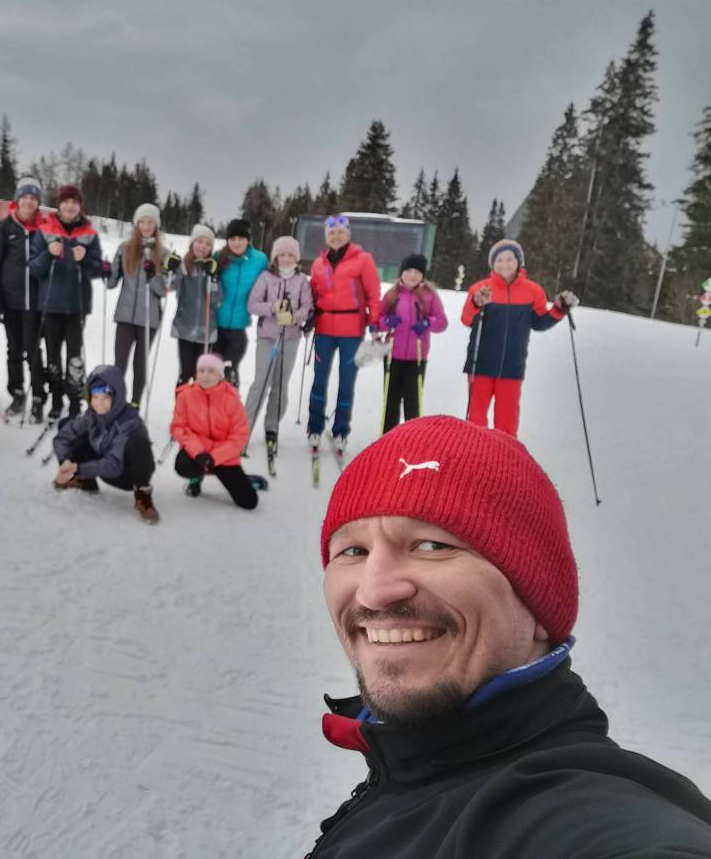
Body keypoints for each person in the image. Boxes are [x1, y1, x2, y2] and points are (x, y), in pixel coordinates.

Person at [304, 415, 711, 856]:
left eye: (433, 545)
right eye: (353, 551)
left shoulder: (573, 815)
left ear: (537, 606)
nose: (374, 590)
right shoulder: (407, 766)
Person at [462, 238, 578, 436]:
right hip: (480, 364)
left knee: (507, 422)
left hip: (512, 367)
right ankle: (474, 459)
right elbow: (466, 320)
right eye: (499, 260)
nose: (504, 264)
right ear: (492, 264)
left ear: (518, 261)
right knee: (475, 419)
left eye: (509, 259)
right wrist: (476, 303)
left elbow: (539, 322)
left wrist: (559, 309)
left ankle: (504, 461)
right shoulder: (481, 288)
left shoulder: (533, 291)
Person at [306, 214, 380, 456]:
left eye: (340, 231)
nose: (336, 236)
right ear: (326, 236)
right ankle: (314, 427)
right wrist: (307, 317)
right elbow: (313, 294)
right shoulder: (319, 263)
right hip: (324, 328)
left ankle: (340, 432)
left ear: (348, 234)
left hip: (351, 329)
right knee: (319, 380)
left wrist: (375, 322)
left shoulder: (363, 259)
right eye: (331, 233)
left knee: (346, 382)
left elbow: (373, 293)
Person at [51, 365, 159, 524]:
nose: (99, 403)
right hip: (102, 462)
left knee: (138, 441)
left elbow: (113, 465)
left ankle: (143, 495)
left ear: (117, 396)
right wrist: (65, 461)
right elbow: (63, 437)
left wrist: (79, 468)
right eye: (95, 397)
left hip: (123, 475)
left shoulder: (129, 423)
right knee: (67, 424)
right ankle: (86, 482)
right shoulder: (92, 415)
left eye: (106, 397)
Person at [32, 184, 104, 419]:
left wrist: (85, 260)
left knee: (75, 358)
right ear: (59, 204)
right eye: (66, 201)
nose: (70, 206)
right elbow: (35, 268)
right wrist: (48, 253)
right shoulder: (45, 230)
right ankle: (55, 399)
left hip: (76, 306)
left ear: (80, 206)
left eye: (75, 202)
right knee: (53, 356)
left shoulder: (89, 234)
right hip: (50, 305)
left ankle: (74, 401)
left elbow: (96, 271)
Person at [243, 236, 311, 453]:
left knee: (280, 384)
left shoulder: (302, 281)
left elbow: (308, 308)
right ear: (275, 257)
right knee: (260, 382)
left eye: (291, 255)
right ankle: (244, 429)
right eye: (282, 254)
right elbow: (252, 305)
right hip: (267, 336)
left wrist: (293, 317)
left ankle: (272, 426)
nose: (286, 259)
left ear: (297, 258)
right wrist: (272, 308)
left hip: (290, 338)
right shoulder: (266, 277)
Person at [0, 175, 47, 421]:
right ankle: (17, 391)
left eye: (33, 198)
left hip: (35, 303)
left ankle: (38, 396)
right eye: (25, 197)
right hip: (11, 301)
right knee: (13, 350)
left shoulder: (45, 227)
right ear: (17, 200)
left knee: (33, 351)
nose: (29, 202)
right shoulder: (5, 227)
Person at [107, 203, 178, 406]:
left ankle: (135, 403)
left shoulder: (164, 253)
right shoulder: (125, 248)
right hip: (125, 315)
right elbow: (111, 283)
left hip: (149, 317)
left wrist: (153, 275)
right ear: (136, 224)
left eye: (150, 222)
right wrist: (107, 270)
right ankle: (116, 401)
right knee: (119, 363)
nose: (146, 226)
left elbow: (163, 290)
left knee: (140, 362)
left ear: (156, 225)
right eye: (142, 222)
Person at [171, 353, 260, 509]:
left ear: (220, 375)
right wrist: (198, 453)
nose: (205, 376)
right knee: (183, 465)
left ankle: (245, 479)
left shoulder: (231, 399)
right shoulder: (185, 396)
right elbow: (179, 427)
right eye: (202, 370)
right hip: (197, 453)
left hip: (223, 456)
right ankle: (196, 477)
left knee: (249, 502)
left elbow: (239, 436)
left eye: (211, 371)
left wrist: (214, 457)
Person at [376, 253, 448, 434]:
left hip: (417, 358)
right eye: (408, 270)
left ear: (423, 274)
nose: (412, 275)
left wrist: (426, 323)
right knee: (391, 400)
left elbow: (442, 322)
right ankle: (388, 437)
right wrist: (387, 322)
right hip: (393, 355)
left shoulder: (428, 295)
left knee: (412, 401)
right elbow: (377, 321)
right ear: (401, 272)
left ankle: (412, 438)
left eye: (417, 271)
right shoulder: (392, 294)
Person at [213, 218, 269, 387]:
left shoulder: (259, 260)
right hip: (215, 326)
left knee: (230, 372)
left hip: (238, 328)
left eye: (240, 238)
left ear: (248, 239)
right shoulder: (218, 257)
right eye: (232, 238)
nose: (236, 242)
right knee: (213, 372)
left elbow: (271, 284)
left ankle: (230, 409)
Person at [170, 223, 221, 387]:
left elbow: (217, 300)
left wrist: (213, 279)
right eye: (200, 241)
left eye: (208, 244)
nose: (203, 246)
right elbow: (171, 286)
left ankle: (197, 411)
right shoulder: (184, 266)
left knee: (200, 375)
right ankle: (181, 410)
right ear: (192, 243)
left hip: (206, 330)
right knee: (186, 372)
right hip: (185, 328)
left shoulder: (213, 269)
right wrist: (174, 269)